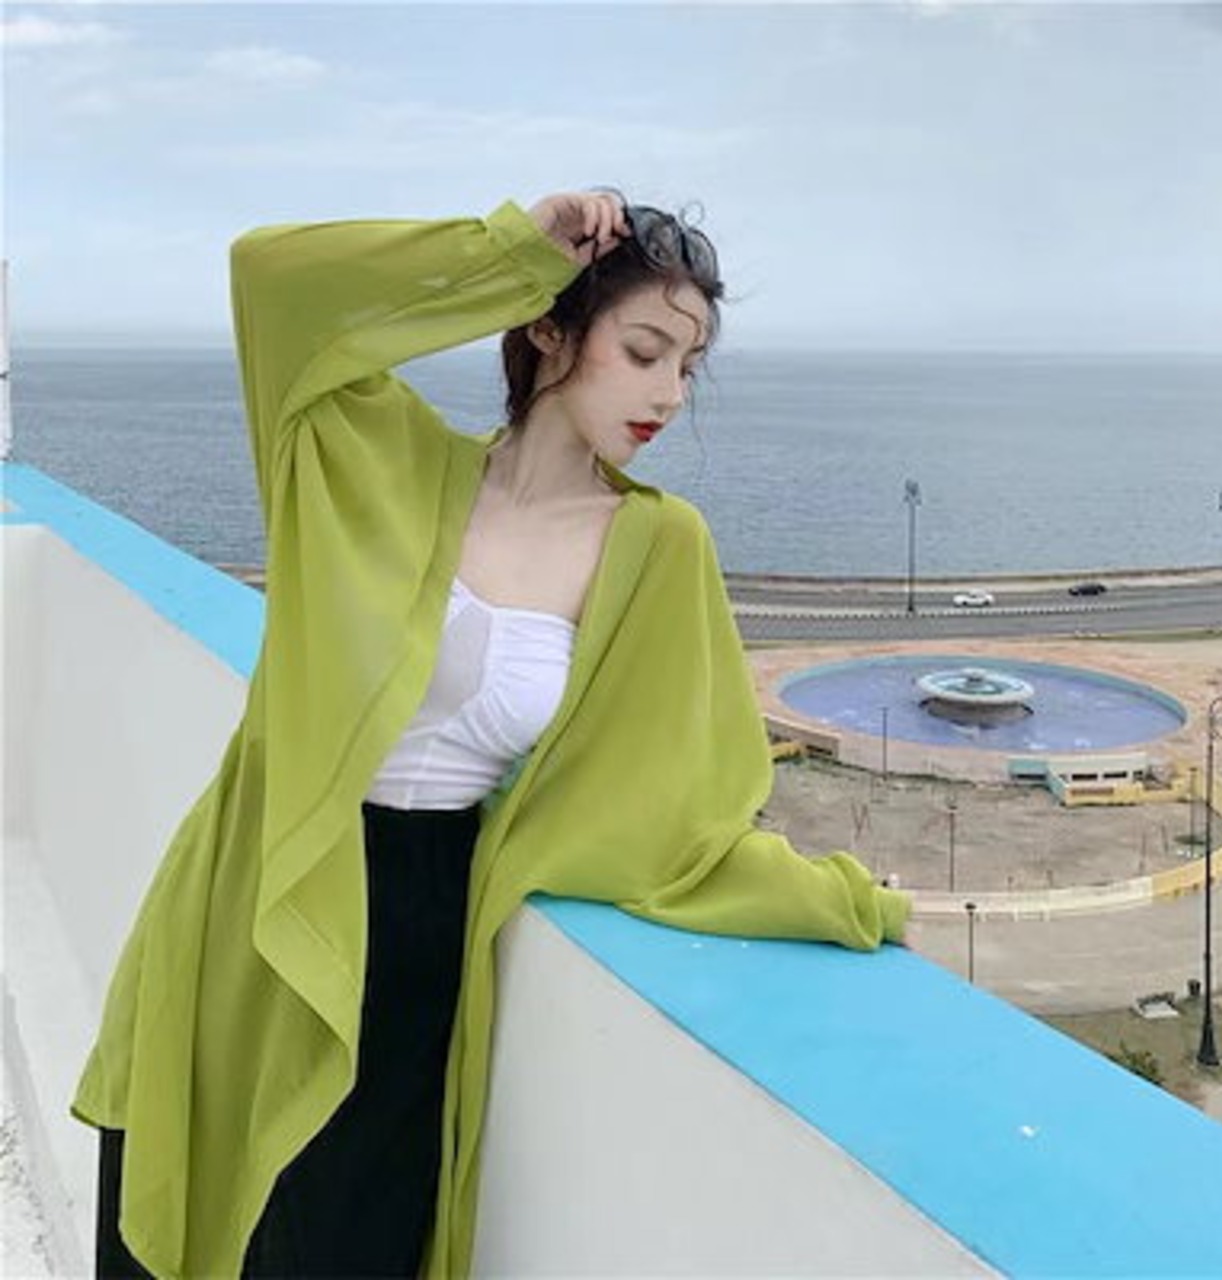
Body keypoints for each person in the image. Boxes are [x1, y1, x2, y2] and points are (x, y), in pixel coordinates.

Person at [74, 189, 912, 1279]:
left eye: (688, 365)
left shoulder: (658, 547)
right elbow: (271, 281)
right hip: (255, 886)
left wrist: (844, 900)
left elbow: (678, 802)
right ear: (550, 329)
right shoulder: (378, 460)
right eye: (644, 350)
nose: (668, 393)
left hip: (418, 924)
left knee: (340, 1238)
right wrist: (511, 250)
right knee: (187, 1210)